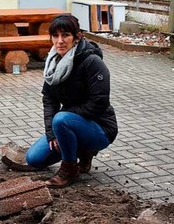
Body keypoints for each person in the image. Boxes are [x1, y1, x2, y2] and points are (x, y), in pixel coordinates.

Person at [25, 14, 118, 188]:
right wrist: (52, 133)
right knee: (34, 159)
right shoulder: (54, 63)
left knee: (61, 120)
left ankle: (69, 169)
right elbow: (49, 99)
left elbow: (99, 103)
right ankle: (82, 150)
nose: (60, 41)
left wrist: (63, 120)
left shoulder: (92, 62)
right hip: (70, 123)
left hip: (100, 128)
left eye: (65, 35)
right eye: (55, 36)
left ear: (76, 38)